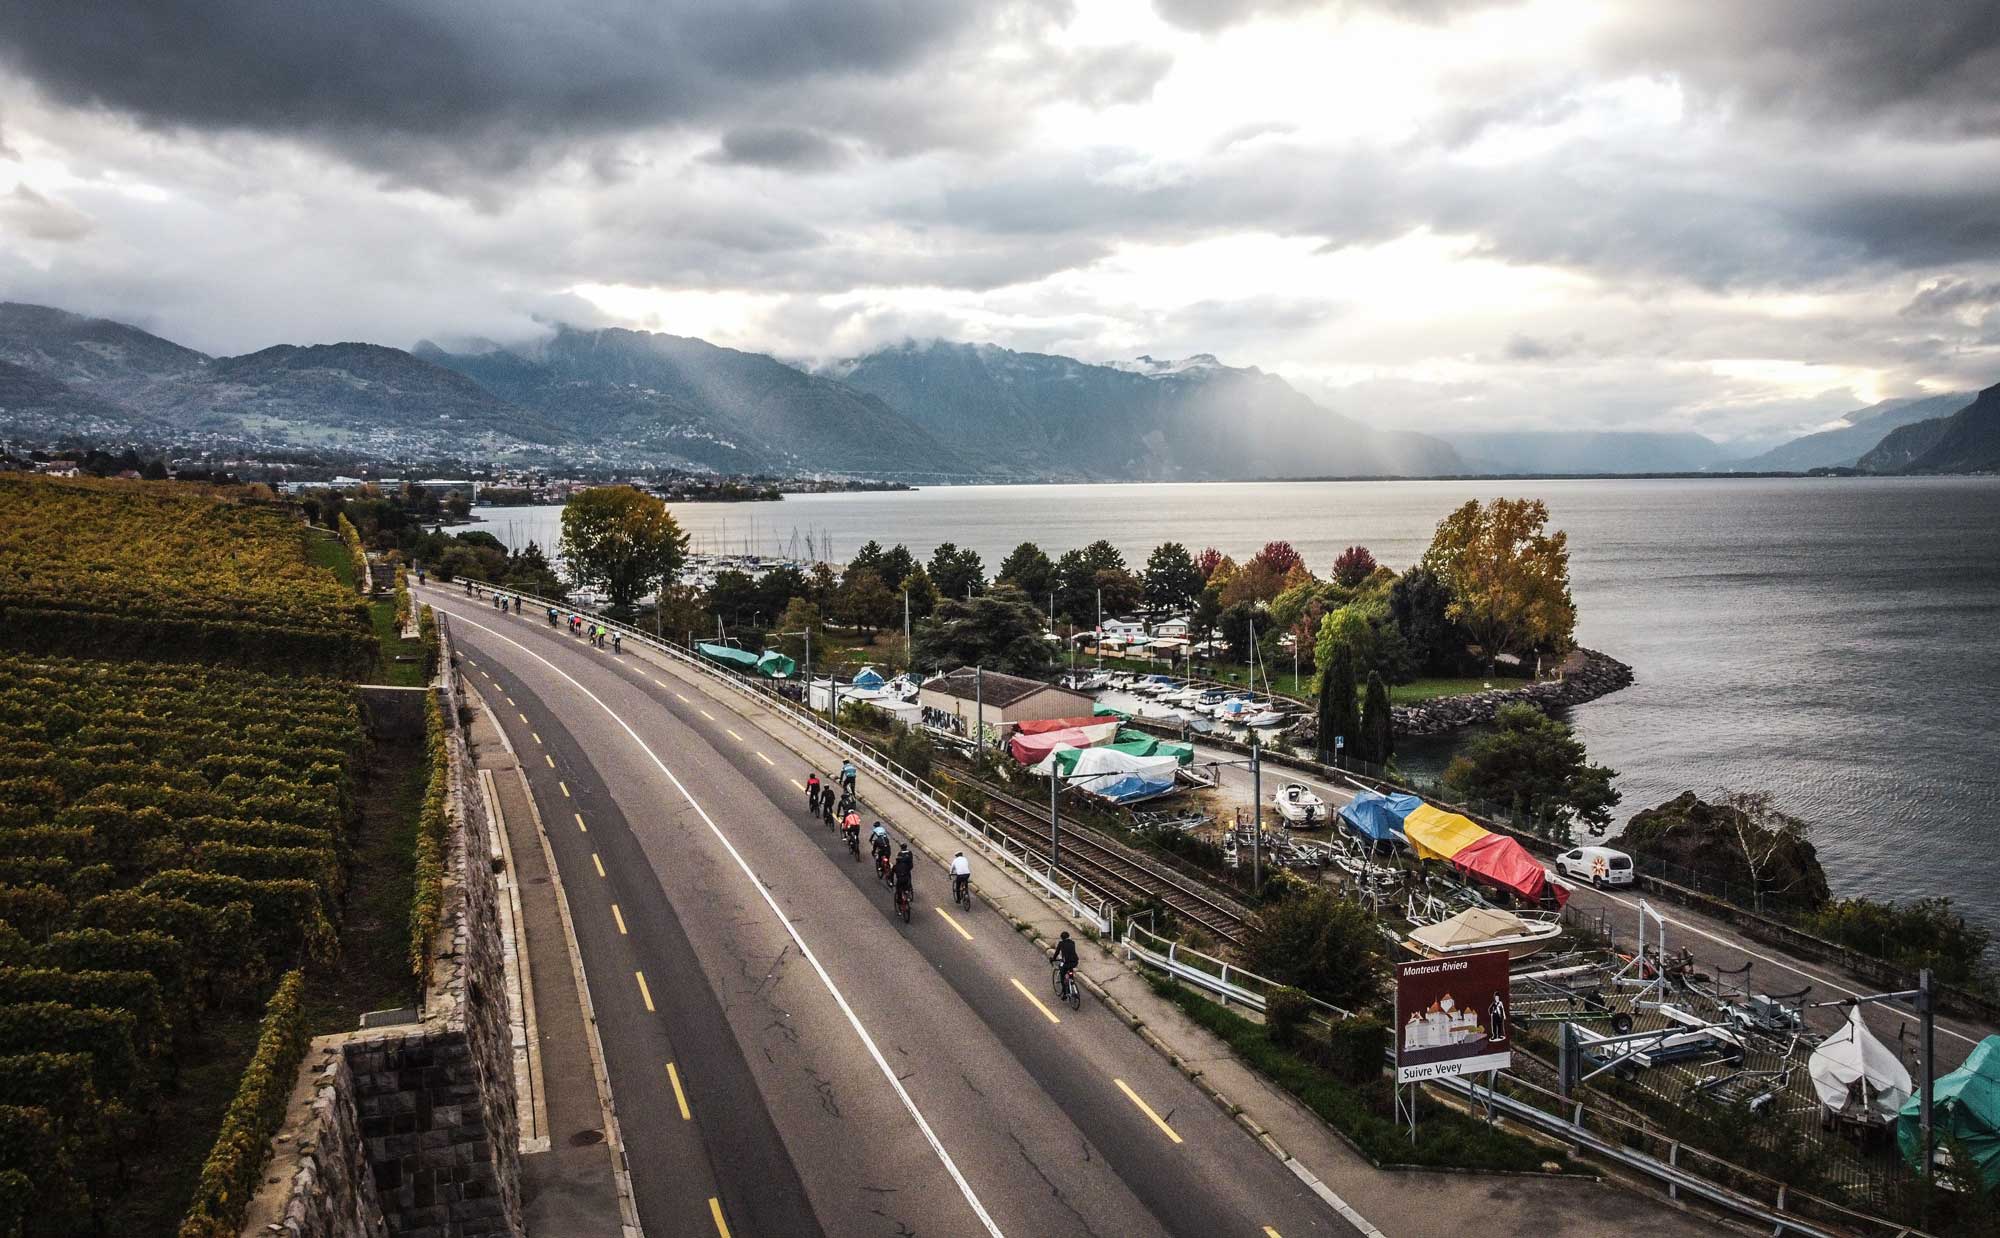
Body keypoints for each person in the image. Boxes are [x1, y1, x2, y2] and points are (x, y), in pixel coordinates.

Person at [1051, 931, 1079, 997]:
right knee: (1070, 970)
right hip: (1075, 961)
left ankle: (1064, 993)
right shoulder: (1072, 942)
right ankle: (1071, 979)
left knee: (1062, 975)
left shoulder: (1061, 943)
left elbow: (1057, 953)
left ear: (1061, 938)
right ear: (1069, 936)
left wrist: (1053, 959)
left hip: (1066, 963)